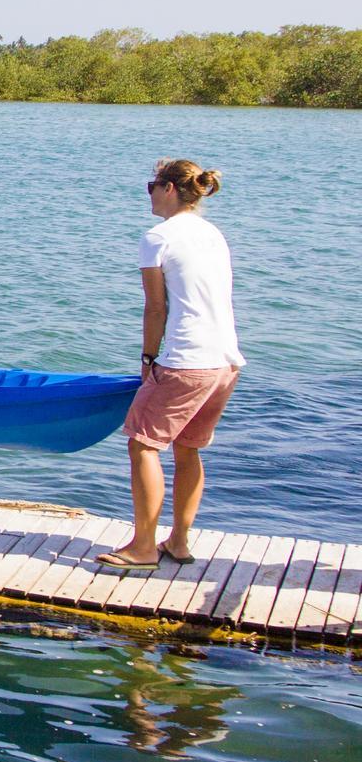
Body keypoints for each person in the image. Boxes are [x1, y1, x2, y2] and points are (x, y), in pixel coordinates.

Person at [97, 159, 244, 571]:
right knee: (187, 448)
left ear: (170, 189)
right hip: (225, 361)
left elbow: (155, 307)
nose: (148, 193)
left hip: (187, 360)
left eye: (151, 185)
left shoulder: (158, 236)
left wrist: (148, 358)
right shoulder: (212, 234)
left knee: (142, 444)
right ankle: (178, 542)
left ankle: (143, 547)